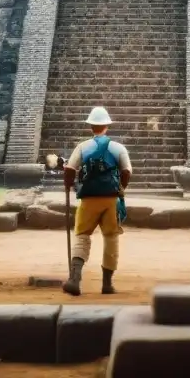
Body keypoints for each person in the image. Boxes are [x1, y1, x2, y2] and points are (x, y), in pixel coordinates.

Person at [62, 106, 132, 296]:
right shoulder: (118, 148)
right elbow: (126, 172)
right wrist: (121, 189)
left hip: (88, 199)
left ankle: (74, 279)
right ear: (107, 126)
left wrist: (68, 186)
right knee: (111, 238)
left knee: (82, 235)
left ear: (91, 126)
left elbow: (69, 169)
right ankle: (107, 284)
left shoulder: (83, 147)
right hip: (111, 200)